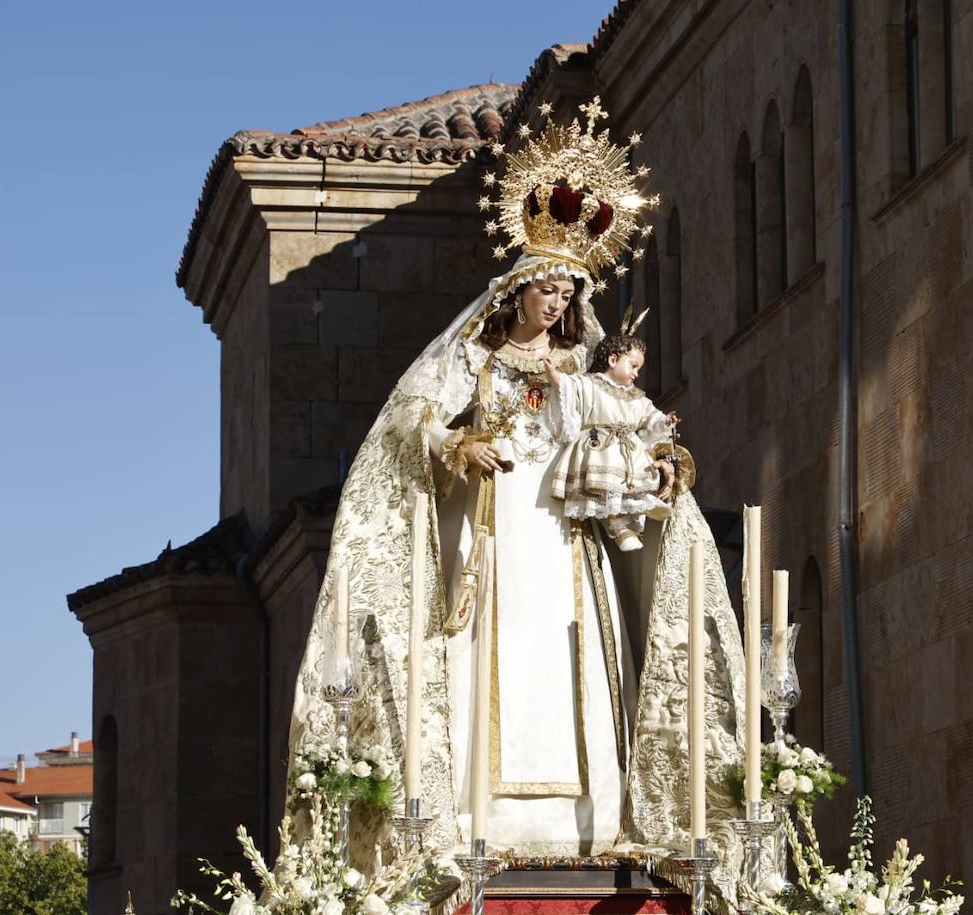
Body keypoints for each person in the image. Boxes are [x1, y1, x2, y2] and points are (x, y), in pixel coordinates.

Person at [285, 100, 746, 866]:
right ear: (518, 291)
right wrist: (458, 443)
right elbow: (411, 421)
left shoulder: (581, 370)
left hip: (569, 540)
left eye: (569, 295)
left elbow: (635, 427)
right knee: (490, 659)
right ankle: (482, 823)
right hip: (495, 537)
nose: (558, 303)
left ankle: (589, 823)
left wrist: (668, 470)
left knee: (580, 662)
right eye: (547, 291)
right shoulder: (477, 359)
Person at [543, 324, 679, 552]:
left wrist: (664, 422)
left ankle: (640, 511)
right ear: (613, 360)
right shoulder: (592, 384)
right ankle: (618, 526)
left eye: (639, 369)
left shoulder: (636, 396)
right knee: (607, 487)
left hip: (628, 451)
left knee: (635, 480)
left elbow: (650, 416)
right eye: (633, 366)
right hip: (600, 448)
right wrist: (553, 374)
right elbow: (569, 387)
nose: (636, 373)